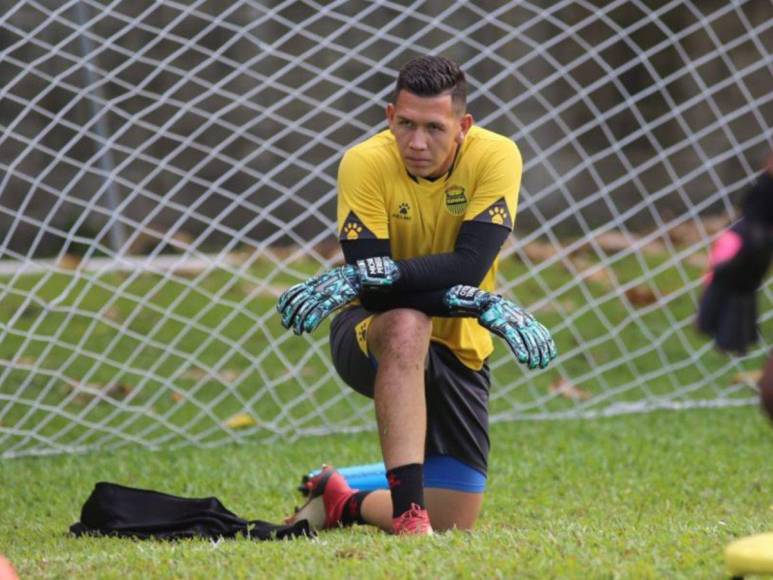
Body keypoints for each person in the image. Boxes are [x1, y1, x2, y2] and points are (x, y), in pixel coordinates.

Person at [277, 55, 557, 535]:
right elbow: (377, 296)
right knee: (408, 321)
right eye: (405, 124)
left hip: (462, 340)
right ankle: (409, 515)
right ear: (389, 116)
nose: (417, 141)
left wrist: (470, 301)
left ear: (463, 126)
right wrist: (466, 299)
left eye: (433, 127)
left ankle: (342, 495)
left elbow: (468, 266)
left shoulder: (497, 156)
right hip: (370, 332)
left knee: (455, 521)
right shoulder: (364, 162)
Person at [697, 154, 773, 419]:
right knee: (729, 290)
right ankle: (720, 333)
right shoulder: (760, 190)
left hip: (754, 247)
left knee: (742, 295)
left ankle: (734, 339)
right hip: (744, 245)